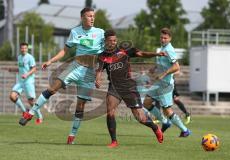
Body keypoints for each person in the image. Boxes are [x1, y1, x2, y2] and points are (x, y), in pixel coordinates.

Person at [19, 7, 105, 145]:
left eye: (93, 16)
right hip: (75, 66)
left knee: (80, 106)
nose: (92, 18)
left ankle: (71, 137)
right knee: (53, 88)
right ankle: (31, 113)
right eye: (89, 16)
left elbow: (106, 54)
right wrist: (51, 61)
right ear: (82, 17)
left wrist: (99, 74)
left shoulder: (100, 33)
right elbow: (64, 51)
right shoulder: (75, 31)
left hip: (89, 72)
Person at [95, 29, 166, 148]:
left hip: (129, 87)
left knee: (140, 117)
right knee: (110, 111)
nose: (113, 42)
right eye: (110, 41)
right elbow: (99, 70)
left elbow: (142, 54)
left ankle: (155, 128)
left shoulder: (125, 50)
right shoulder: (102, 56)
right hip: (114, 87)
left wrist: (156, 54)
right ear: (105, 41)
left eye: (114, 40)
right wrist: (97, 79)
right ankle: (114, 141)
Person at [143, 28, 191, 137]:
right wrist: (154, 68)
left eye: (165, 38)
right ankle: (165, 122)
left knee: (168, 111)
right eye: (161, 37)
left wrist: (164, 74)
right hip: (159, 83)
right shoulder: (162, 48)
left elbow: (176, 66)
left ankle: (185, 130)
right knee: (146, 102)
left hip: (166, 85)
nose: (163, 39)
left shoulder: (169, 50)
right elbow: (163, 62)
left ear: (170, 38)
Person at [9, 42, 43, 124]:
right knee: (12, 96)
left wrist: (27, 74)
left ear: (27, 49)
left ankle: (40, 117)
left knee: (31, 101)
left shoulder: (30, 57)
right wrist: (13, 70)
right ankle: (25, 112)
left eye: (25, 48)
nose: (23, 49)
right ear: (20, 49)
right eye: (22, 48)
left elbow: (34, 69)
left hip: (29, 82)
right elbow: (21, 69)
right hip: (21, 82)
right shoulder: (19, 57)